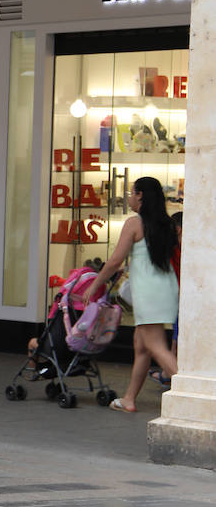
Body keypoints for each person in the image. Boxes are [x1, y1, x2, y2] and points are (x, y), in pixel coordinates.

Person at [83, 176, 179, 413]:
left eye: (131, 192)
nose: (129, 197)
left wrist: (95, 285)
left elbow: (116, 260)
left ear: (140, 196)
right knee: (142, 346)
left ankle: (196, 393)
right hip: (166, 288)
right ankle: (129, 399)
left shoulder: (134, 223)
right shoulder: (167, 224)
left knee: (156, 346)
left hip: (148, 293)